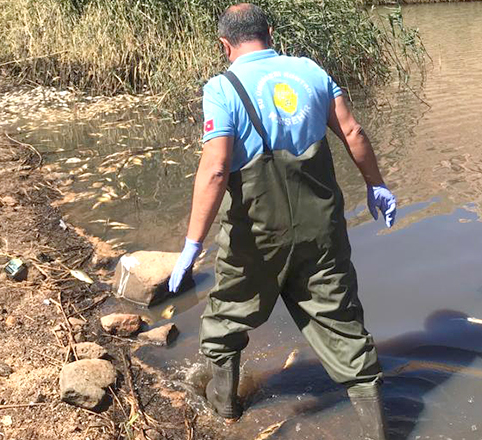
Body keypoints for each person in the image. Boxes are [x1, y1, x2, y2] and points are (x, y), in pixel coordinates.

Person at [167, 4, 397, 439]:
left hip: (256, 234)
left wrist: (192, 245)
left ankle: (226, 416)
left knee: (226, 322)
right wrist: (375, 186)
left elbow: (216, 170)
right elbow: (353, 132)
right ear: (271, 33)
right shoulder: (310, 70)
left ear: (224, 44)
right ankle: (378, 431)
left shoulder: (222, 87)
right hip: (321, 229)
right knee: (343, 324)